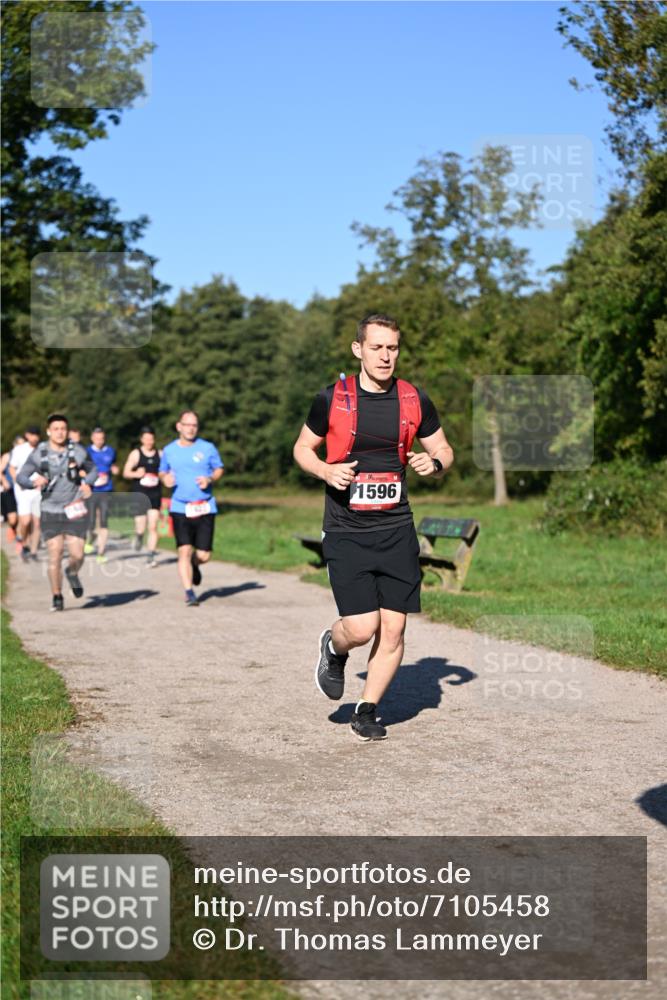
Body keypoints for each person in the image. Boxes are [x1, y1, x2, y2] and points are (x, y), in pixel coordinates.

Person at [293, 313, 454, 742]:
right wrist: (326, 472)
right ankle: (334, 645)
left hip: (397, 527)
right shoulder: (331, 399)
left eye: (393, 348)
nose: (386, 356)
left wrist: (433, 462)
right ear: (358, 349)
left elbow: (444, 448)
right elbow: (303, 449)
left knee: (395, 628)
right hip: (347, 529)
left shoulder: (414, 399)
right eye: (377, 347)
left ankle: (367, 709)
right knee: (362, 628)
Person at [16, 414, 97, 611]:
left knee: (78, 554)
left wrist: (87, 483)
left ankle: (72, 572)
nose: (60, 432)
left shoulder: (78, 451)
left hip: (74, 508)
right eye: (56, 428)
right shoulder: (39, 453)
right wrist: (33, 482)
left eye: (63, 428)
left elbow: (93, 470)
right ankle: (57, 596)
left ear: (67, 431)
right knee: (55, 554)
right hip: (50, 510)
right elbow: (21, 477)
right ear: (49, 431)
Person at [159, 410, 224, 606]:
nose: (191, 428)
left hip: (204, 506)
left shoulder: (208, 448)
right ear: (179, 426)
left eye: (194, 425)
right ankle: (189, 592)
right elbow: (162, 472)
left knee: (203, 555)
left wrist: (210, 478)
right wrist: (165, 478)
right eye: (187, 424)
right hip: (180, 507)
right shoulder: (169, 450)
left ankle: (195, 564)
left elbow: (219, 469)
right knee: (184, 551)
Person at [123, 426, 163, 567]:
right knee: (141, 526)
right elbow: (126, 472)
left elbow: (167, 472)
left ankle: (151, 556)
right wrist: (136, 474)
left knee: (153, 527)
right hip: (139, 494)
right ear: (141, 439)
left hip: (155, 494)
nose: (149, 441)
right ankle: (139, 536)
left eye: (151, 439)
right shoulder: (136, 454)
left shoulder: (160, 454)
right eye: (146, 439)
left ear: (154, 439)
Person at [85, 427, 119, 563]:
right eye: (97, 438)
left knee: (103, 522)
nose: (100, 441)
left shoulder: (110, 451)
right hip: (91, 491)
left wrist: (114, 469)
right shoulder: (86, 451)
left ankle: (101, 553)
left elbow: (113, 465)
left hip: (106, 490)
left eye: (102, 438)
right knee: (91, 522)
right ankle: (89, 540)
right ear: (92, 438)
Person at [9, 425, 42, 561]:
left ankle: (33, 551)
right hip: (22, 490)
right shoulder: (19, 450)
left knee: (37, 522)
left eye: (37, 434)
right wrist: (17, 482)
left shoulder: (43, 450)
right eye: (32, 434)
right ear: (27, 435)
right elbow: (12, 468)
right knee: (26, 521)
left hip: (38, 489)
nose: (35, 437)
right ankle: (24, 544)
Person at [1, 441, 20, 541]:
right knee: (13, 519)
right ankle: (12, 528)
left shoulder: (27, 455)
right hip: (9, 490)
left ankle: (21, 539)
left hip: (22, 489)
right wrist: (4, 481)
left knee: (22, 517)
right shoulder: (8, 456)